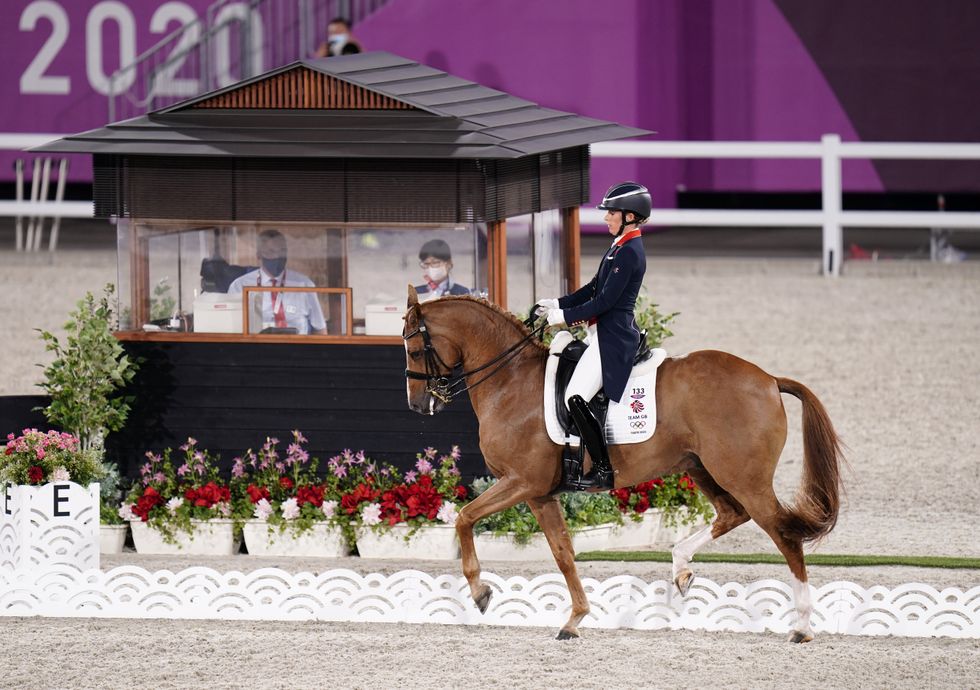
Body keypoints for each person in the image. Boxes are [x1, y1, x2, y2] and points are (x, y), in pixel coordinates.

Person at [537, 181, 651, 490]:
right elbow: (593, 287)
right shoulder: (619, 246)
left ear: (629, 216)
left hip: (612, 338)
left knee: (574, 397)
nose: (605, 218)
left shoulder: (630, 252)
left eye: (611, 213)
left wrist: (562, 318)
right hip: (600, 334)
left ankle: (602, 468)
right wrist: (558, 303)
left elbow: (605, 302)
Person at [228, 229, 327, 335]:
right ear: (259, 255)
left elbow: (320, 329)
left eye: (282, 251)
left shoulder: (304, 285)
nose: (277, 256)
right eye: (271, 252)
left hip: (297, 348)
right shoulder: (239, 286)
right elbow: (230, 328)